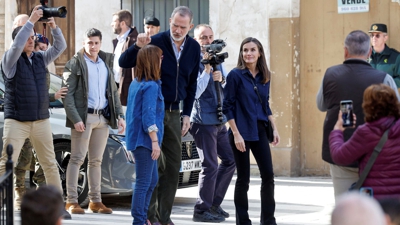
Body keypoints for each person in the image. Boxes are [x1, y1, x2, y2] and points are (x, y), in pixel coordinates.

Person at [119, 6, 200, 225]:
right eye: (174, 25)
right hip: (152, 109)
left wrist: (187, 114)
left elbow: (192, 84)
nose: (177, 30)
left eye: (182, 27)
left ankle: (164, 217)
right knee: (153, 168)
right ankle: (148, 216)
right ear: (169, 22)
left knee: (173, 167)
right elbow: (124, 63)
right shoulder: (155, 40)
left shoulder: (194, 48)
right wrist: (137, 44)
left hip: (174, 112)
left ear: (190, 27)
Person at [0, 5, 70, 219]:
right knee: (7, 163)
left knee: (49, 162)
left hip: (40, 120)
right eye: (28, 37)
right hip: (17, 120)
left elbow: (61, 46)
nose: (32, 40)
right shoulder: (10, 60)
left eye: (33, 37)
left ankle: (58, 207)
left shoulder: (40, 58)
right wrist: (30, 21)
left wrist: (54, 27)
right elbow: (18, 44)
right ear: (19, 40)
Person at [316, 30, 400, 203]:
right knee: (376, 210)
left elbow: (321, 105)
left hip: (341, 151)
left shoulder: (330, 74)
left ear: (345, 51)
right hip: (378, 154)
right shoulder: (384, 78)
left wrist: (338, 129)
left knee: (345, 208)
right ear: (369, 52)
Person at [62, 28, 126, 215]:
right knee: (76, 159)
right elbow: (68, 95)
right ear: (84, 43)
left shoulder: (105, 62)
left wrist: (120, 116)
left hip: (103, 118)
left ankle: (95, 201)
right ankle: (71, 201)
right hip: (85, 117)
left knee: (96, 161)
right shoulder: (75, 63)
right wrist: (75, 119)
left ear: (100, 43)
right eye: (89, 42)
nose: (93, 46)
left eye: (96, 42)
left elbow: (113, 92)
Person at [223, 37, 280, 225]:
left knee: (268, 175)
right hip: (240, 130)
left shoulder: (265, 76)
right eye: (245, 50)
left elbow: (266, 104)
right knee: (243, 179)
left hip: (260, 130)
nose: (248, 53)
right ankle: (243, 221)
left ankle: (268, 221)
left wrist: (274, 127)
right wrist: (236, 134)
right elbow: (227, 106)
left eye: (252, 50)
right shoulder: (235, 75)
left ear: (259, 53)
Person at [190, 24, 235, 223]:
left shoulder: (217, 58)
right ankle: (201, 210)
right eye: (203, 38)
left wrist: (222, 78)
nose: (208, 41)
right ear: (196, 40)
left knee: (230, 160)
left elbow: (226, 87)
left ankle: (214, 204)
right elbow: (194, 94)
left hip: (219, 119)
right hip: (202, 121)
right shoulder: (192, 61)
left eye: (210, 37)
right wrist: (207, 71)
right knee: (209, 166)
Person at [329, 84, 400, 199]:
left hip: (375, 204)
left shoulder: (367, 132)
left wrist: (337, 130)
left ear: (368, 106)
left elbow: (340, 156)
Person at [126, 44, 164, 225]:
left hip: (139, 140)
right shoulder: (150, 86)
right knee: (143, 182)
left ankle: (143, 218)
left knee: (151, 180)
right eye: (160, 57)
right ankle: (139, 221)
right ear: (152, 61)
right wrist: (155, 141)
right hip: (146, 142)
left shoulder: (137, 83)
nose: (162, 60)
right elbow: (148, 118)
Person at [111, 9, 138, 106]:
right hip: (117, 88)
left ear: (122, 23)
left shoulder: (135, 41)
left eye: (114, 21)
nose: (111, 24)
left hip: (128, 90)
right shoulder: (118, 40)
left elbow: (135, 70)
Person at [368, 23, 400, 88]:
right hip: (368, 95)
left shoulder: (395, 56)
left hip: (386, 95)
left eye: (377, 35)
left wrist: (386, 86)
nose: (374, 38)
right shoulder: (364, 55)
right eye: (372, 35)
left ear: (385, 38)